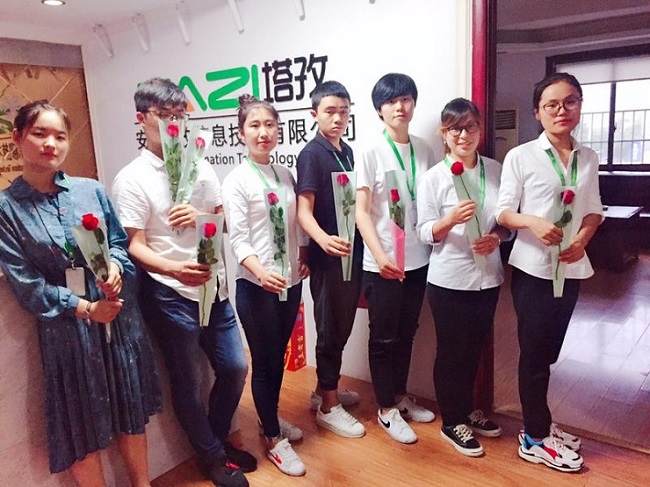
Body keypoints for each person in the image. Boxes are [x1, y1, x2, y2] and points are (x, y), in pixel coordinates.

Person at [0, 101, 162, 486]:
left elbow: (118, 243)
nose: (51, 144)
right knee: (80, 422)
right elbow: (26, 282)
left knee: (128, 406)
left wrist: (116, 269)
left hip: (115, 317)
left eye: (60, 136)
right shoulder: (6, 209)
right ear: (17, 137)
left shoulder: (91, 191)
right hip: (68, 330)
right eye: (40, 134)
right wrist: (84, 307)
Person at [112, 78, 252, 487]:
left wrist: (202, 217)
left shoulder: (201, 166)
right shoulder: (131, 178)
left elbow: (224, 221)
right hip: (170, 294)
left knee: (235, 367)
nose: (174, 124)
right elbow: (133, 245)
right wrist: (173, 270)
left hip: (215, 288)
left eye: (180, 115)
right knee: (187, 381)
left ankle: (216, 440)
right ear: (142, 119)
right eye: (164, 116)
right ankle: (213, 457)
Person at [495, 72, 603, 472]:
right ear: (537, 112)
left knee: (550, 351)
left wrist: (583, 239)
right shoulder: (521, 156)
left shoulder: (587, 158)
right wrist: (533, 223)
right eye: (551, 104)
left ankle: (538, 421)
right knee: (535, 354)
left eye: (570, 101)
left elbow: (593, 210)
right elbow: (502, 212)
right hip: (534, 270)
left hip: (570, 267)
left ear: (579, 106)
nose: (562, 110)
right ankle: (535, 437)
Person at [222, 94, 310, 477]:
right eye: (255, 125)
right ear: (241, 132)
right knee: (265, 361)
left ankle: (268, 419)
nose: (264, 132)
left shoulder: (284, 174)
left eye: (270, 125)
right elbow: (239, 240)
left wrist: (303, 255)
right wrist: (260, 272)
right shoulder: (236, 180)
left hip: (289, 282)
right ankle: (273, 438)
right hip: (257, 287)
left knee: (278, 359)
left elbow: (295, 224)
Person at [417, 98, 510, 457]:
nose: (463, 135)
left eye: (470, 126)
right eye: (454, 128)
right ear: (444, 134)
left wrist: (497, 238)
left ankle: (468, 410)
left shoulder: (496, 170)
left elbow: (506, 222)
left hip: (488, 277)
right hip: (449, 280)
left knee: (474, 348)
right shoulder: (433, 179)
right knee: (451, 352)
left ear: (480, 130)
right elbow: (425, 231)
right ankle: (452, 421)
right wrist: (449, 220)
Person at [356, 73, 436, 444]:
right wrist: (380, 256)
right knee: (383, 337)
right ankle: (386, 408)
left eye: (405, 99)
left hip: (418, 259)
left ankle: (400, 396)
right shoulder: (371, 151)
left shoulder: (424, 148)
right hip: (383, 263)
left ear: (414, 104)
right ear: (379, 110)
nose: (399, 107)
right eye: (390, 101)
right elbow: (361, 213)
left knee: (407, 333)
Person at [296, 80, 365, 439]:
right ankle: (328, 407)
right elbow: (303, 212)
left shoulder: (347, 151)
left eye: (344, 111)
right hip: (329, 259)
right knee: (329, 327)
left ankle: (325, 389)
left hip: (351, 254)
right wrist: (323, 241)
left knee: (342, 325)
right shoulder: (312, 154)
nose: (338, 118)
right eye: (330, 111)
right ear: (314, 114)